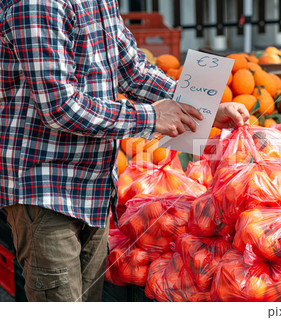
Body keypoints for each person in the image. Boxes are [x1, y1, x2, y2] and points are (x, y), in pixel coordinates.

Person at [0, 0, 249, 302]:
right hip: (46, 187)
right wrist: (152, 117)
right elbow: (60, 107)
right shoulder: (37, 4)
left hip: (94, 188)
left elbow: (134, 71)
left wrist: (204, 110)